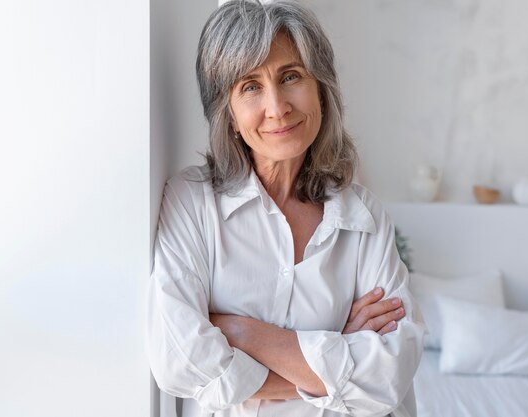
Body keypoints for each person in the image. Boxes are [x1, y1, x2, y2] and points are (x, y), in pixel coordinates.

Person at [147, 1, 426, 416]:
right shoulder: (192, 202)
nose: (277, 107)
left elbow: (389, 376)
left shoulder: (363, 216)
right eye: (250, 86)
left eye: (290, 76)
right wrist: (334, 356)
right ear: (228, 116)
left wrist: (244, 332)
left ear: (321, 88)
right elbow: (179, 360)